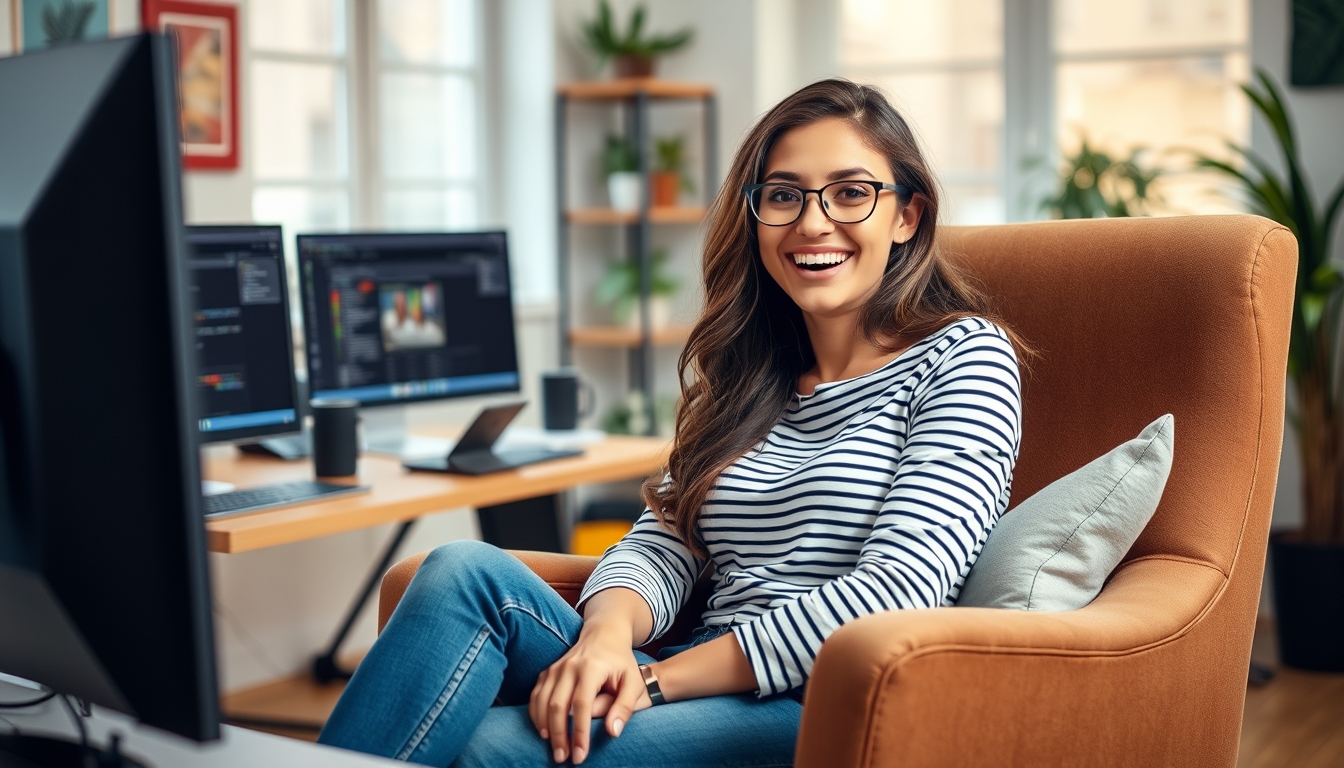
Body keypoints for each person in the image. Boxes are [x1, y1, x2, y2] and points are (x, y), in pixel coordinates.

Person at [317, 79, 1025, 767]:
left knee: (481, 747)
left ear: (907, 215)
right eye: (783, 195)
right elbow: (663, 543)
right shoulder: (756, 373)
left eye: (851, 192)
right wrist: (605, 639)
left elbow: (897, 594)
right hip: (685, 670)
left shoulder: (964, 359)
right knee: (461, 568)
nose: (812, 222)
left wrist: (654, 683)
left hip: (808, 702)